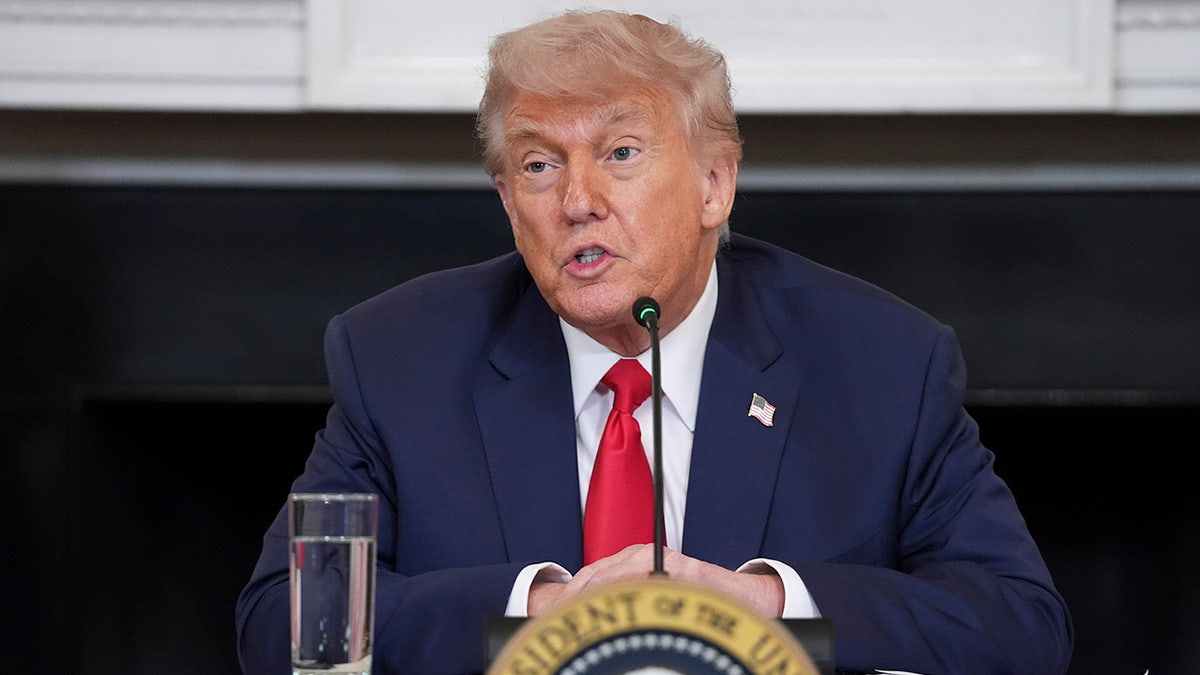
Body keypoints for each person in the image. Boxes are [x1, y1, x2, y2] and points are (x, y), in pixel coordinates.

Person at [236, 9, 1073, 674]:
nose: (577, 200)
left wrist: (766, 607)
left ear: (716, 184)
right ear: (506, 200)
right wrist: (539, 612)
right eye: (538, 165)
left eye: (620, 152)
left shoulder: (884, 363)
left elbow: (1021, 623)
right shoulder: (398, 358)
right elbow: (288, 622)